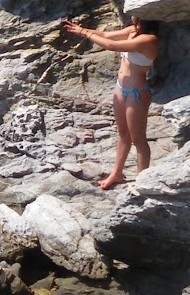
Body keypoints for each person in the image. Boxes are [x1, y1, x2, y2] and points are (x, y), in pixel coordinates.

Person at [63, 16, 160, 189]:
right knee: (123, 133)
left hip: (137, 93)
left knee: (138, 139)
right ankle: (117, 173)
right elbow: (106, 36)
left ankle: (142, 181)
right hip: (121, 88)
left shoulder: (149, 39)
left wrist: (83, 32)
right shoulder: (133, 31)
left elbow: (111, 46)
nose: (130, 14)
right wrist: (81, 29)